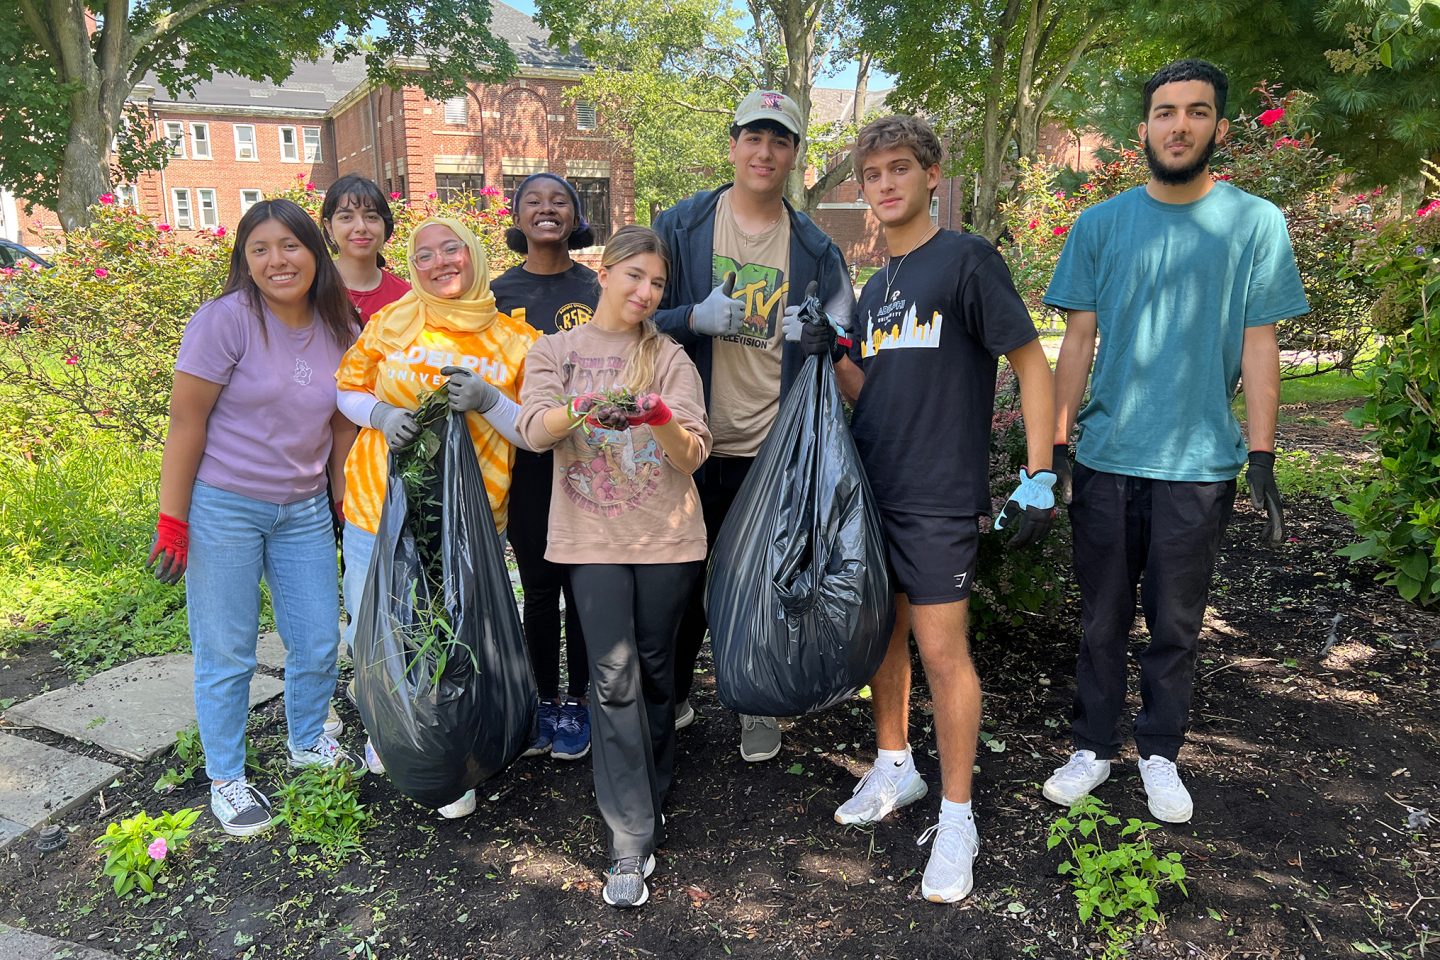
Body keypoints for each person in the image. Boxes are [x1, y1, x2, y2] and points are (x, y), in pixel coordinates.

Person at [1041, 59, 1308, 824]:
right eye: (1165, 112)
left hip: (1198, 466)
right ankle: (1091, 747)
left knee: (1177, 623)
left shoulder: (1255, 223)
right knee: (1099, 618)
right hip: (1104, 458)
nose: (1179, 125)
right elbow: (1076, 341)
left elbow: (1260, 344)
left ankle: (1159, 752)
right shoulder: (1100, 226)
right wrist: (1056, 450)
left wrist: (1261, 454)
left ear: (1219, 127)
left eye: (1195, 112)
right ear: (1144, 130)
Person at [826, 114, 1057, 903]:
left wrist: (1038, 474)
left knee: (940, 650)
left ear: (931, 175)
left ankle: (958, 817)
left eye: (900, 168)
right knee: (880, 639)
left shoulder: (966, 260)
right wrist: (830, 359)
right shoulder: (875, 287)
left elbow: (1030, 362)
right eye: (873, 174)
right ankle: (896, 768)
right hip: (874, 489)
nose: (885, 184)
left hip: (938, 496)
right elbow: (875, 390)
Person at [148, 198, 365, 837]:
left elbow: (339, 426)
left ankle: (306, 743)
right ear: (245, 261)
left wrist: (342, 498)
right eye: (260, 249)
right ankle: (227, 777)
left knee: (319, 638)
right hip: (225, 507)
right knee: (228, 650)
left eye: (289, 246)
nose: (277, 261)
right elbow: (187, 422)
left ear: (314, 251)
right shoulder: (225, 322)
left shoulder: (338, 326)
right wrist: (174, 518)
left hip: (301, 509)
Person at [653, 89, 855, 763]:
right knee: (681, 578)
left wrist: (826, 337)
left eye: (781, 141)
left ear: (795, 155)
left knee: (764, 581)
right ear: (733, 142)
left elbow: (844, 343)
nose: (765, 152)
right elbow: (630, 317)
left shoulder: (817, 249)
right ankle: (675, 694)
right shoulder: (679, 227)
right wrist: (688, 319)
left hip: (772, 447)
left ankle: (757, 703)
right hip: (687, 440)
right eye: (754, 137)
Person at [517, 225, 710, 909]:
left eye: (657, 284)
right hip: (589, 540)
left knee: (657, 672)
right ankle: (628, 838)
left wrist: (655, 412)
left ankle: (650, 790)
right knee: (613, 676)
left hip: (668, 540)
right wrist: (580, 407)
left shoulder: (671, 356)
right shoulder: (555, 350)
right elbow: (531, 430)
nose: (645, 292)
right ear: (606, 271)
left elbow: (690, 455)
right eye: (636, 276)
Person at [334, 216, 539, 817]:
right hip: (380, 506)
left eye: (452, 248)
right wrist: (377, 416)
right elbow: (345, 387)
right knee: (382, 624)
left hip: (468, 521)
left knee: (452, 632)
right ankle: (392, 732)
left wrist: (488, 399)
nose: (440, 261)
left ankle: (450, 746)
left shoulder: (513, 342)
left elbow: (532, 434)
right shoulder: (392, 321)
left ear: (474, 255)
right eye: (424, 255)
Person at [491, 173, 597, 762]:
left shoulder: (597, 289)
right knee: (537, 588)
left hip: (585, 462)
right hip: (527, 462)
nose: (547, 209)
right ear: (519, 217)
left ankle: (578, 703)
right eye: (533, 200)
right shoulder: (497, 294)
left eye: (560, 201)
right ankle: (540, 700)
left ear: (575, 216)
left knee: (580, 589)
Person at [321, 174, 411, 325]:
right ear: (329, 226)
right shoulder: (312, 286)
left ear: (385, 225)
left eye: (371, 217)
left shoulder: (405, 298)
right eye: (346, 217)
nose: (361, 227)